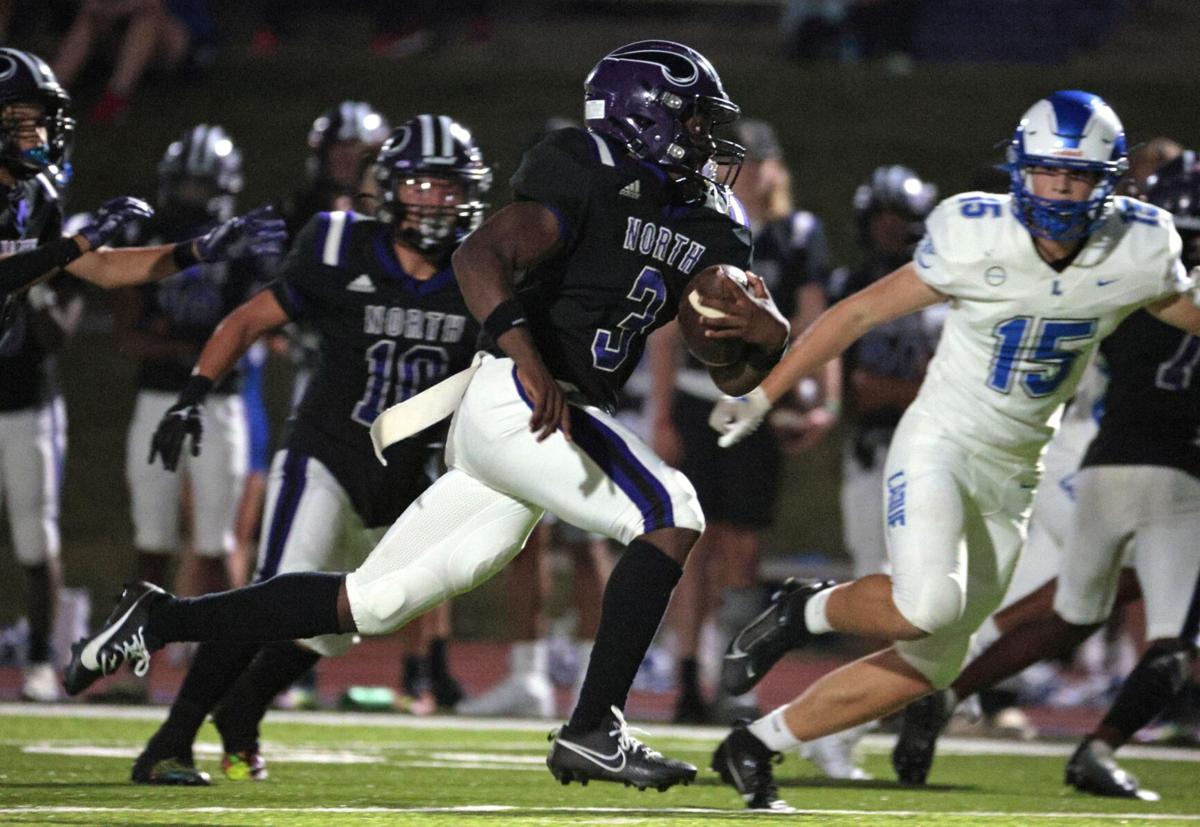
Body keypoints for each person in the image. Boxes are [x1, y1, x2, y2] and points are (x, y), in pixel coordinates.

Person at [65, 40, 790, 792]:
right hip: (522, 396)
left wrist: (766, 341)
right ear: (644, 116)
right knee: (671, 509)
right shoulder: (587, 170)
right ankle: (593, 725)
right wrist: (527, 353)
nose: (709, 139)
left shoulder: (712, 222)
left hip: (531, 421)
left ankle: (157, 618)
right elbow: (480, 255)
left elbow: (728, 359)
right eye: (695, 120)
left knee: (370, 603)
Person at [704, 90, 1200, 812]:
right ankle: (803, 608)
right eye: (1046, 173)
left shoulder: (1141, 246)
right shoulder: (974, 232)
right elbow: (859, 311)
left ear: (1108, 182)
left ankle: (757, 743)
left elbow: (1178, 305)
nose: (1058, 191)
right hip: (942, 440)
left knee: (937, 660)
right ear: (1020, 171)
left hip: (1018, 470)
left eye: (1078, 177)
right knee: (928, 603)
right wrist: (763, 393)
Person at [130, 115, 487, 784]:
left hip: (404, 472)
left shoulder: (482, 270)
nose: (436, 199)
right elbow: (247, 319)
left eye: (449, 187)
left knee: (342, 622)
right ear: (389, 190)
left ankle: (242, 711)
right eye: (420, 183)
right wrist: (193, 392)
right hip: (325, 449)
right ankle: (170, 741)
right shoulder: (340, 245)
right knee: (275, 596)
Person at [890, 150, 1200, 801]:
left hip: (1099, 462)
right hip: (1175, 472)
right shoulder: (1152, 277)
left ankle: (948, 690)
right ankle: (1099, 747)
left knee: (1073, 613)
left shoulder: (1125, 270)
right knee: (1172, 636)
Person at [647, 117, 833, 727]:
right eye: (739, 161)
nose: (749, 172)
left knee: (743, 551)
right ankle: (686, 675)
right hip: (699, 401)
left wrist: (817, 399)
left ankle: (734, 675)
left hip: (760, 402)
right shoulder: (700, 226)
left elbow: (815, 323)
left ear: (777, 167)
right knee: (689, 547)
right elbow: (669, 326)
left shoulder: (795, 235)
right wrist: (662, 411)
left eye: (758, 161)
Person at [116, 124, 274, 610]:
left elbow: (244, 333)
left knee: (217, 543)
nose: (190, 197)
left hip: (218, 405)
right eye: (186, 184)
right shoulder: (149, 237)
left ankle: (223, 660)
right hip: (159, 398)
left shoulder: (242, 245)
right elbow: (131, 337)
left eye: (200, 186)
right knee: (151, 538)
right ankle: (135, 655)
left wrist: (174, 341)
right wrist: (197, 346)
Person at [0, 49, 285, 304]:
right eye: (26, 122)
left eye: (43, 121)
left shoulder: (33, 197)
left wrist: (198, 250)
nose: (41, 136)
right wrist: (80, 242)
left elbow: (105, 269)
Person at [52, 0, 217, 123]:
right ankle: (50, 92)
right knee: (88, 18)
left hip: (176, 40)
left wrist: (113, 11)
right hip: (123, 38)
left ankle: (115, 98)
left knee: (147, 15)